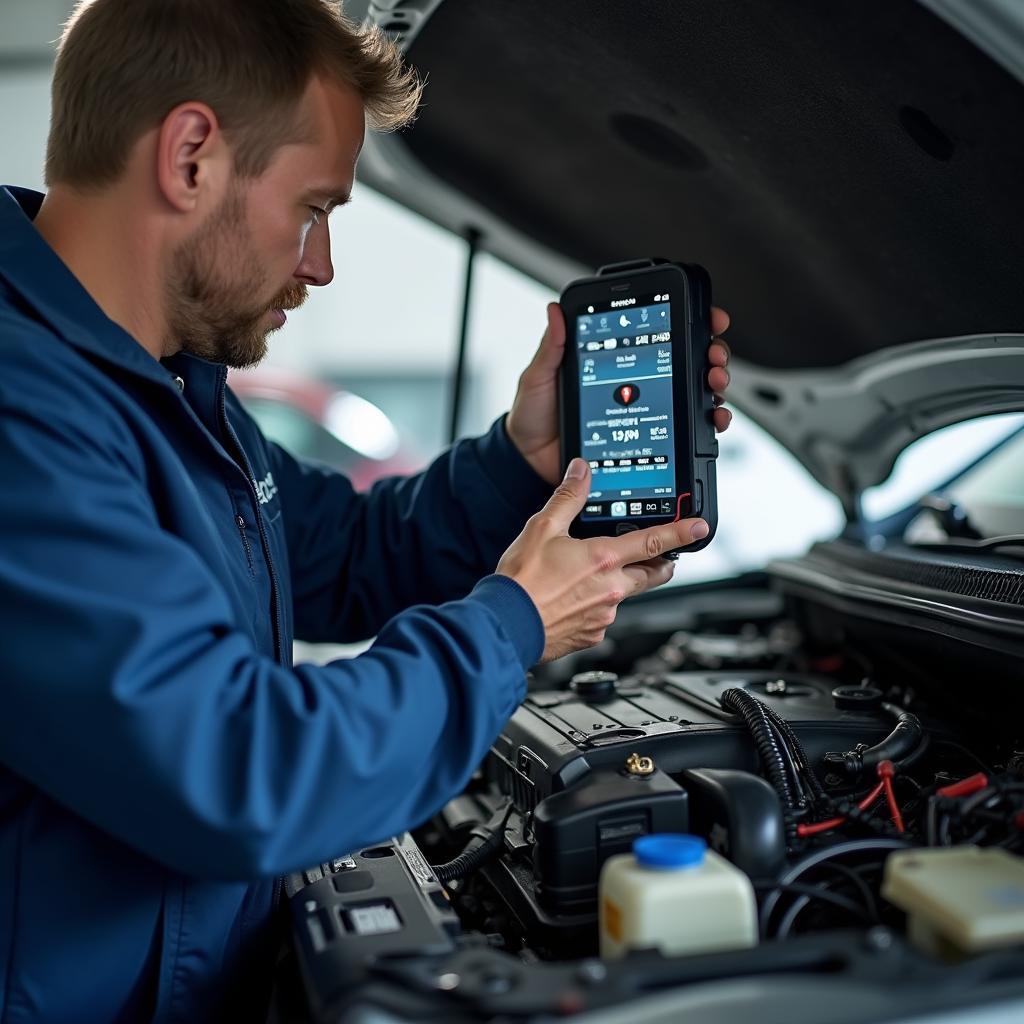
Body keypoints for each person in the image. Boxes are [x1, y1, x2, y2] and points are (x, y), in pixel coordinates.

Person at [0, 0, 732, 1020]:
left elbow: (343, 552)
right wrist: (513, 624)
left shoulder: (165, 392)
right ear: (192, 156)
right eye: (314, 208)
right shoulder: (23, 417)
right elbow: (241, 768)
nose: (320, 264)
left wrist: (524, 462)